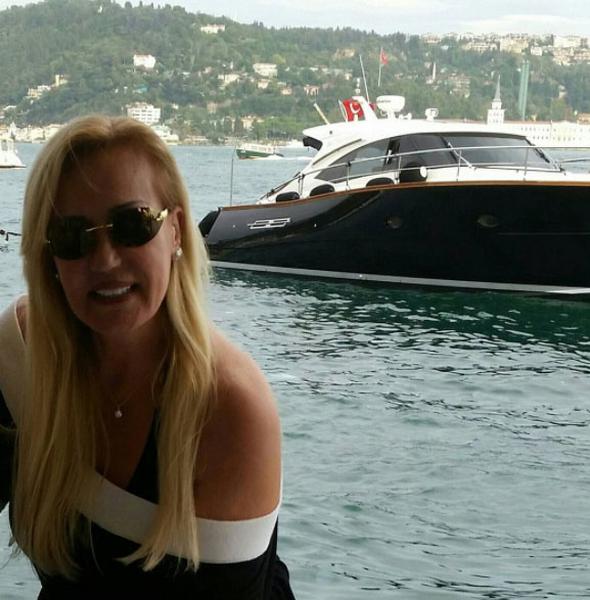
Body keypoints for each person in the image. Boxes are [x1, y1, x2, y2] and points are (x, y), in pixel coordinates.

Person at [0, 115, 295, 599]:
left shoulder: (229, 406)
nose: (105, 259)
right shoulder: (21, 357)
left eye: (132, 225)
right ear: (49, 256)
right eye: (72, 236)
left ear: (175, 230)